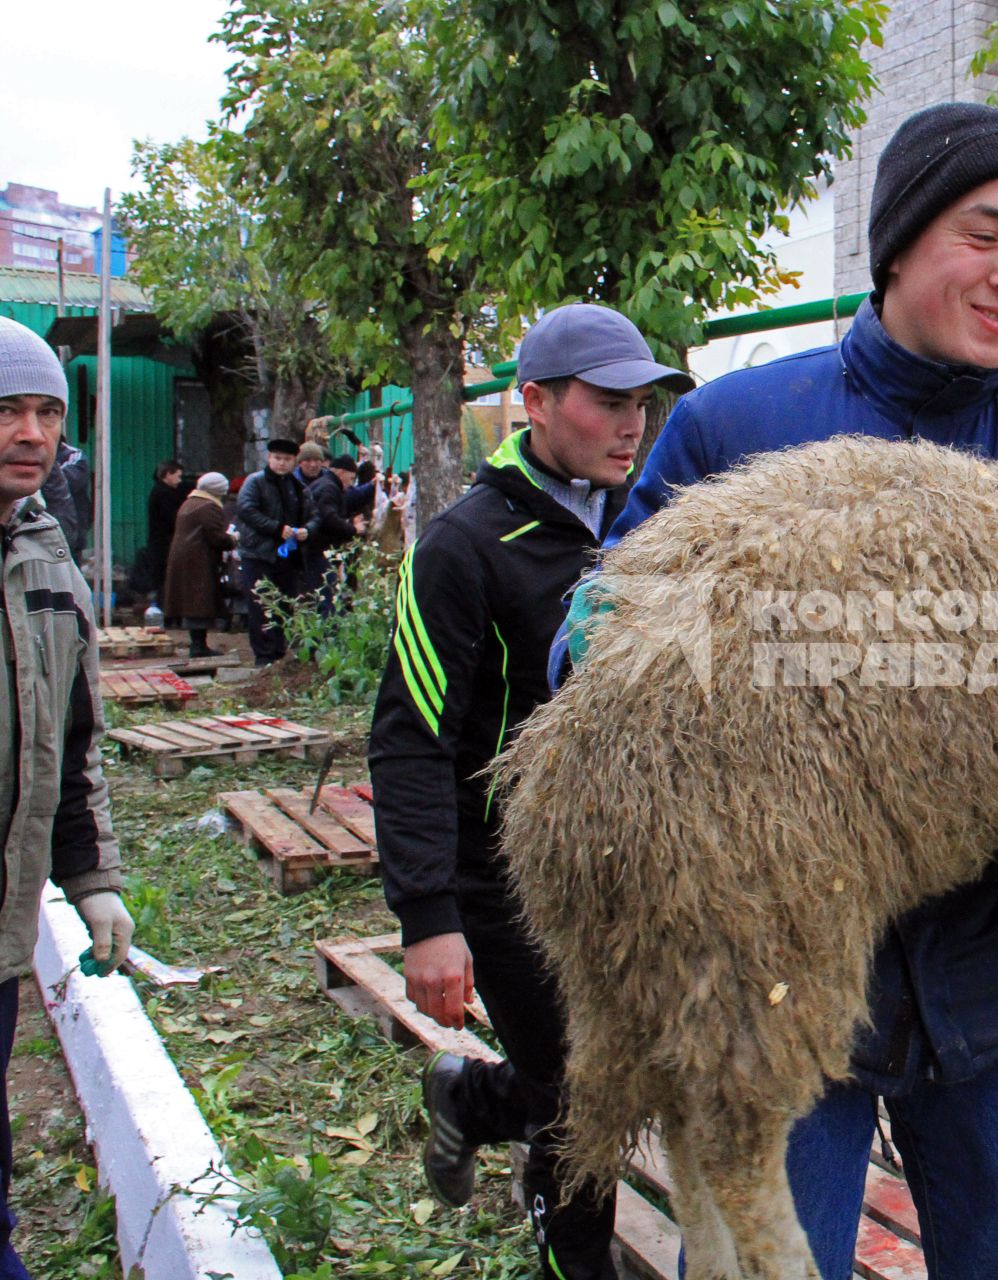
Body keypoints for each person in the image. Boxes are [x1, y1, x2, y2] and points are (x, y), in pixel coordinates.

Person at [557, 103, 998, 1279]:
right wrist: (638, 641)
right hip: (773, 987)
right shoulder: (740, 426)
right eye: (985, 235)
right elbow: (589, 674)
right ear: (898, 243)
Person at [370, 304, 694, 1280]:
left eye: (642, 402)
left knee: (618, 1071)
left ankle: (471, 1099)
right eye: (607, 402)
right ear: (537, 401)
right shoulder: (464, 547)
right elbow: (411, 736)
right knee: (585, 1097)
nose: (632, 422)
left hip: (624, 869)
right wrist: (429, 915)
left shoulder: (651, 524)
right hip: (506, 886)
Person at [0, 317, 133, 1277]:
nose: (32, 434)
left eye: (47, 413)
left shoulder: (47, 556)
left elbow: (73, 743)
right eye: (7, 411)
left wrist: (92, 879)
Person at [234, 439, 313, 666]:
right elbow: (246, 509)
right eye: (277, 458)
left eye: (287, 459)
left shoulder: (296, 486)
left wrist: (307, 530)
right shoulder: (256, 482)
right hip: (258, 553)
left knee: (284, 603)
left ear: (293, 461)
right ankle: (263, 655)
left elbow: (311, 512)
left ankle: (279, 650)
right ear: (269, 459)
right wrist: (276, 528)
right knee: (261, 604)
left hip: (286, 556)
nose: (281, 463)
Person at [164, 473, 237, 657]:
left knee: (192, 600)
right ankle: (198, 646)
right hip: (199, 559)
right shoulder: (208, 506)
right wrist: (233, 539)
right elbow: (217, 536)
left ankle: (197, 644)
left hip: (186, 558)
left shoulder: (190, 502)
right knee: (198, 601)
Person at [305, 453, 365, 614]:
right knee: (326, 597)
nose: (351, 484)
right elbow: (329, 518)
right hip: (319, 550)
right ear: (341, 473)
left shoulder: (325, 485)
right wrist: (353, 530)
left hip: (316, 549)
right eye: (351, 478)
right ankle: (328, 634)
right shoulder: (329, 488)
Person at [137, 460, 189, 611]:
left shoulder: (160, 491)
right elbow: (171, 518)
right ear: (167, 475)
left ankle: (165, 611)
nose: (180, 480)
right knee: (165, 579)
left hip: (160, 543)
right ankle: (167, 612)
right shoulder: (164, 494)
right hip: (164, 544)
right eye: (178, 476)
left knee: (162, 580)